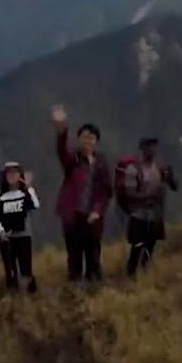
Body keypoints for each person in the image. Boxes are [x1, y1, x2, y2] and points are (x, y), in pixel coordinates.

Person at [51, 105, 112, 283]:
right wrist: (61, 129)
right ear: (78, 140)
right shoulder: (73, 160)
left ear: (96, 141)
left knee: (93, 255)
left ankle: (95, 289)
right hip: (73, 216)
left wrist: (97, 210)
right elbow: (61, 151)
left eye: (91, 138)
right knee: (75, 256)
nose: (88, 141)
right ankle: (74, 291)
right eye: (84, 137)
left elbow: (106, 191)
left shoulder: (101, 163)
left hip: (93, 218)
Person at [116, 137, 178, 276]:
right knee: (137, 247)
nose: (152, 150)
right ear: (142, 149)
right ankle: (131, 274)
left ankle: (144, 271)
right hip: (139, 214)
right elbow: (129, 193)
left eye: (154, 147)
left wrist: (170, 177)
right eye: (149, 147)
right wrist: (149, 196)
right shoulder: (133, 169)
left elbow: (174, 186)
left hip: (155, 215)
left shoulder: (160, 167)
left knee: (150, 245)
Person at [0, 161, 40, 293]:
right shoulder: (0, 196)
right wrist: (0, 231)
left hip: (23, 236)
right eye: (9, 173)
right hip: (7, 238)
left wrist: (29, 187)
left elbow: (35, 205)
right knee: (10, 269)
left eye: (15, 173)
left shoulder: (24, 194)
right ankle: (12, 294)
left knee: (26, 269)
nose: (12, 176)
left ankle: (31, 294)